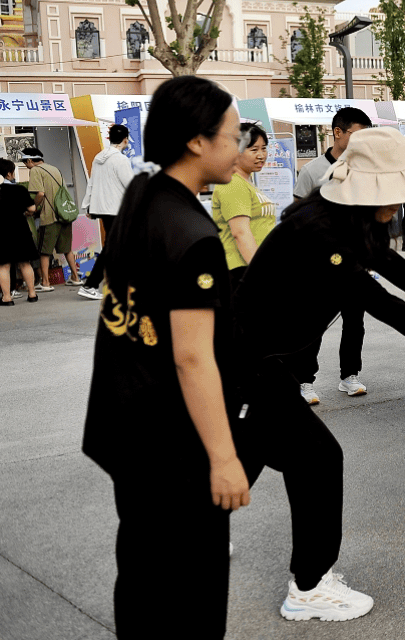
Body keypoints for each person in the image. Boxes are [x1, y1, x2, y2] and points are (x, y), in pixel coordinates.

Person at [230, 127, 405, 622]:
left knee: (247, 457)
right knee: (318, 460)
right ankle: (309, 588)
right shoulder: (322, 235)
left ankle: (179, 537)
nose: (399, 204)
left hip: (263, 366)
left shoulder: (350, 224)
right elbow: (387, 307)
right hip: (252, 366)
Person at [81, 75, 252, 637]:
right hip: (172, 445)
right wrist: (225, 460)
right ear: (196, 142)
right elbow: (192, 358)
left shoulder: (141, 196)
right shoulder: (193, 234)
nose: (240, 147)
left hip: (126, 427)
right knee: (192, 596)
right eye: (232, 136)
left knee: (143, 577)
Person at [292, 106, 372, 400]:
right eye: (358, 135)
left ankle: (350, 376)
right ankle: (304, 380)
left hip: (353, 261)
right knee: (313, 322)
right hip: (319, 262)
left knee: (355, 321)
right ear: (338, 133)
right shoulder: (312, 170)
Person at [211, 122, 275, 289]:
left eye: (264, 148)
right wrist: (260, 273)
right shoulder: (233, 183)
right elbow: (240, 232)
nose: (261, 155)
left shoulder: (246, 183)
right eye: (254, 150)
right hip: (241, 271)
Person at [79, 123, 135, 300]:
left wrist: (88, 205)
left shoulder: (98, 157)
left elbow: (92, 182)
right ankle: (90, 284)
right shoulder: (120, 159)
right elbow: (131, 185)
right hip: (118, 209)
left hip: (103, 208)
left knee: (118, 247)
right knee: (113, 248)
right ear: (125, 140)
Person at [22, 147, 82, 289]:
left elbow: (40, 194)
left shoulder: (36, 170)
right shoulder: (55, 169)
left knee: (44, 251)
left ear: (30, 160)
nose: (26, 165)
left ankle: (46, 282)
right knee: (67, 249)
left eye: (25, 163)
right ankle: (75, 277)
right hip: (64, 214)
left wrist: (34, 208)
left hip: (49, 216)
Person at [0, 159, 39, 305]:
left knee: (4, 265)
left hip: (3, 231)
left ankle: (7, 297)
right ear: (9, 173)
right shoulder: (20, 190)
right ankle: (32, 294)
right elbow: (32, 209)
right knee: (25, 263)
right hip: (21, 230)